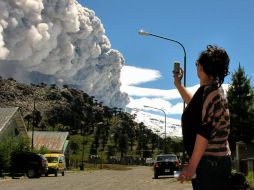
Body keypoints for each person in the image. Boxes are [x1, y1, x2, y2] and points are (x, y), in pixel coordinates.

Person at [173, 45, 232, 190]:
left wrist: (191, 167)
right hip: (211, 162)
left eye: (197, 63)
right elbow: (194, 106)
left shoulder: (212, 93)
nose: (196, 66)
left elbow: (204, 133)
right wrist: (178, 84)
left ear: (203, 67)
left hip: (211, 164)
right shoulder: (210, 90)